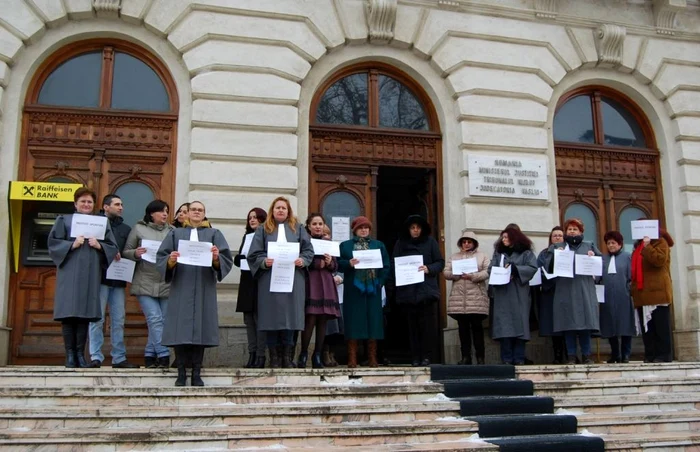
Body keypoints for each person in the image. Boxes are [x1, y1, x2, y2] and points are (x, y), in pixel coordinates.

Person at [156, 201, 233, 386]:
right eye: (193, 210)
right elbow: (161, 257)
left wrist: (216, 258)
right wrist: (171, 260)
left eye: (200, 210)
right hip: (182, 285)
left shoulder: (214, 234)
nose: (196, 212)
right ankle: (181, 371)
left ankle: (197, 372)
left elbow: (225, 259)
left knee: (201, 329)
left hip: (204, 286)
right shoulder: (175, 233)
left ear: (204, 214)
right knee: (180, 329)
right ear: (187, 213)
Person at [49, 187, 118, 368]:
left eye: (89, 202)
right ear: (75, 204)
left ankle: (80, 354)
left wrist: (100, 246)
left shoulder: (101, 223)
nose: (86, 205)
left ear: (94, 205)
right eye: (83, 201)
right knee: (68, 314)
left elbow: (112, 246)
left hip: (90, 274)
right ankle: (70, 355)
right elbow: (53, 243)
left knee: (84, 315)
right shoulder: (63, 220)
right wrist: (72, 244)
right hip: (69, 274)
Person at [247, 197, 314, 369]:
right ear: (272, 210)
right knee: (271, 317)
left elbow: (308, 250)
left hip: (293, 279)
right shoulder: (263, 230)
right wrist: (263, 261)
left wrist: (303, 260)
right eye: (278, 208)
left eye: (284, 208)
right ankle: (274, 358)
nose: (281, 211)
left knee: (290, 317)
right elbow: (254, 254)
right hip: (270, 279)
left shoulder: (298, 229)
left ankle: (287, 357)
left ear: (288, 211)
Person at [88, 194, 139, 369]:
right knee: (97, 319)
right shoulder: (95, 224)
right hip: (99, 277)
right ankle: (96, 357)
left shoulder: (126, 229)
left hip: (118, 279)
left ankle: (119, 357)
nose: (121, 207)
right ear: (105, 207)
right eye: (117, 204)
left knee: (118, 319)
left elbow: (127, 252)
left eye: (122, 204)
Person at [123, 200, 174, 368]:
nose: (165, 214)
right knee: (154, 319)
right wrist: (136, 253)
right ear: (151, 213)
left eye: (166, 211)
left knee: (163, 321)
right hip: (144, 281)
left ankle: (149, 355)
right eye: (161, 211)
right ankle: (164, 354)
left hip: (165, 281)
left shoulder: (173, 231)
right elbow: (126, 252)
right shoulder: (139, 228)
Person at [545, 218, 601, 365]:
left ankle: (587, 355)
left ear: (581, 231)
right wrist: (557, 256)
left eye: (575, 229)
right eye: (569, 229)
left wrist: (593, 258)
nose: (572, 231)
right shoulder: (558, 247)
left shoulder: (589, 246)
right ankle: (571, 356)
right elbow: (548, 268)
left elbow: (601, 268)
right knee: (567, 323)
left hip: (584, 290)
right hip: (565, 290)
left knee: (585, 324)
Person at [338, 216, 390, 368]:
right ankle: (352, 358)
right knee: (354, 321)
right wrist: (348, 263)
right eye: (360, 228)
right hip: (353, 290)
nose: (364, 230)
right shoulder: (346, 246)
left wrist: (380, 282)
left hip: (373, 289)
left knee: (373, 321)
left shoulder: (378, 245)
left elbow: (386, 266)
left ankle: (372, 358)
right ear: (355, 230)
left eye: (366, 227)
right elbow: (337, 264)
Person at [392, 215, 444, 366]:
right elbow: (394, 262)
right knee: (412, 327)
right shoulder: (401, 243)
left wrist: (429, 268)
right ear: (408, 229)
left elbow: (440, 262)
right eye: (412, 228)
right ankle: (415, 357)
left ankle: (427, 356)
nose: (415, 231)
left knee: (427, 326)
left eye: (418, 228)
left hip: (426, 291)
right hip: (408, 291)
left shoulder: (431, 242)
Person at [296, 214, 342, 368]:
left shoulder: (328, 242)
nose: (317, 226)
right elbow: (301, 260)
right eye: (314, 224)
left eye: (320, 224)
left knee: (323, 320)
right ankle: (303, 354)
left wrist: (330, 263)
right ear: (308, 226)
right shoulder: (304, 240)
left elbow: (336, 265)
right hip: (312, 282)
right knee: (311, 318)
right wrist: (318, 263)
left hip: (327, 283)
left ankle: (317, 355)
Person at [489, 226, 538, 365]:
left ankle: (519, 358)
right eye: (502, 237)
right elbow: (490, 268)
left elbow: (532, 268)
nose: (504, 239)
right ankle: (506, 359)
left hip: (519, 293)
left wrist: (515, 270)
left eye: (506, 237)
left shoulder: (526, 253)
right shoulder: (499, 253)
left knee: (520, 325)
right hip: (502, 293)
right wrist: (501, 272)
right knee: (504, 327)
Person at [444, 231, 490, 365]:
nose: (466, 244)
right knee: (463, 329)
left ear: (474, 243)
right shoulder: (454, 257)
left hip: (476, 298)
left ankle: (480, 357)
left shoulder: (482, 256)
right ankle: (466, 357)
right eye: (464, 242)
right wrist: (456, 275)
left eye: (469, 242)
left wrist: (473, 276)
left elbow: (488, 271)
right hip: (460, 299)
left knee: (477, 328)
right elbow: (446, 272)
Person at [631, 227, 675, 363]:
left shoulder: (661, 243)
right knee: (647, 329)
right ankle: (650, 354)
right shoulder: (637, 248)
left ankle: (664, 354)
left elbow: (659, 260)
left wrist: (648, 246)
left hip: (658, 293)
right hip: (642, 294)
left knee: (661, 327)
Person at [233, 207, 268, 369]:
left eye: (256, 217)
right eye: (250, 218)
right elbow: (241, 258)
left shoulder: (267, 236)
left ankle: (261, 355)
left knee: (259, 319)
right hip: (246, 280)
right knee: (248, 320)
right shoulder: (247, 237)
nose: (252, 220)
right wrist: (238, 259)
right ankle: (252, 354)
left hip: (260, 279)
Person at [600, 231, 635, 363]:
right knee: (610, 325)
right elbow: (598, 276)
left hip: (623, 296)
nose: (611, 245)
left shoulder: (627, 257)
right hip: (607, 296)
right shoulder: (603, 258)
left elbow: (631, 276)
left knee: (625, 325)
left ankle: (626, 354)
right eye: (608, 243)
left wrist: (628, 289)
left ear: (620, 244)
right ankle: (615, 354)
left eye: (613, 243)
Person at [536, 227, 567, 364]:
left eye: (560, 235)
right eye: (555, 235)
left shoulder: (569, 252)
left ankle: (571, 354)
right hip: (551, 292)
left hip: (567, 291)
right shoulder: (544, 253)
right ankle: (558, 355)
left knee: (568, 323)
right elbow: (538, 271)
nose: (557, 238)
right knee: (554, 325)